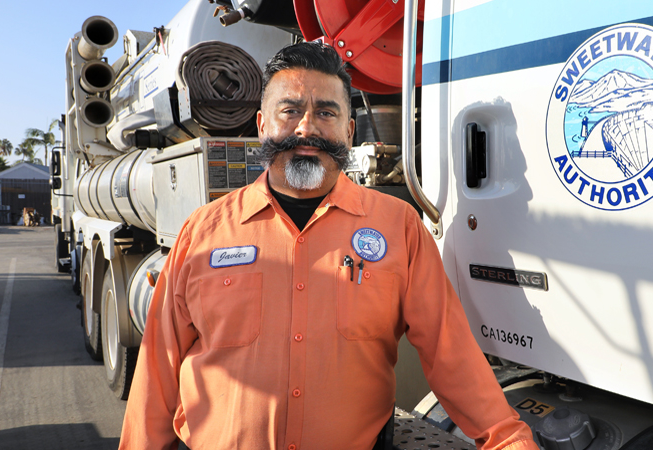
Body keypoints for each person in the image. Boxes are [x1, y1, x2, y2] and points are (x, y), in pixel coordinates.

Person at [119, 41, 538, 450]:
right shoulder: (203, 232)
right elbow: (157, 371)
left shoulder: (399, 228)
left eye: (326, 112)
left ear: (349, 130)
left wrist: (506, 437)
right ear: (262, 124)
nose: (306, 127)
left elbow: (452, 354)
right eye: (291, 110)